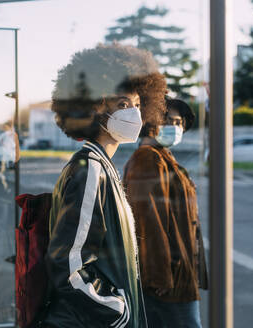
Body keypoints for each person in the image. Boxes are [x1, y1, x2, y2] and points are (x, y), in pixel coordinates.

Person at [43, 44, 167, 328]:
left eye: (137, 105)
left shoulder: (101, 166)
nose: (134, 114)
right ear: (95, 106)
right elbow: (68, 265)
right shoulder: (91, 170)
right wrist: (115, 309)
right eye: (123, 104)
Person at [123, 97, 209, 328]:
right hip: (168, 277)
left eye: (179, 122)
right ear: (150, 122)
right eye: (167, 120)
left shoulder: (161, 156)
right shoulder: (147, 158)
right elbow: (147, 219)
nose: (175, 127)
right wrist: (158, 273)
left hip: (175, 271)